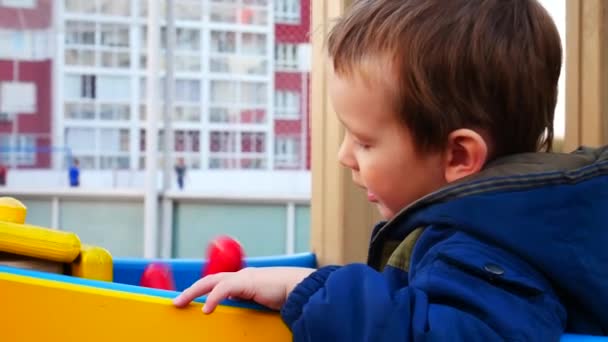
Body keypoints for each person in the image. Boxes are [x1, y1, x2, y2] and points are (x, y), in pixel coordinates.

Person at [174, 0, 608, 340]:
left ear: (458, 155)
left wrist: (306, 288)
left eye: (364, 141)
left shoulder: (488, 252)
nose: (345, 156)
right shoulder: (480, 235)